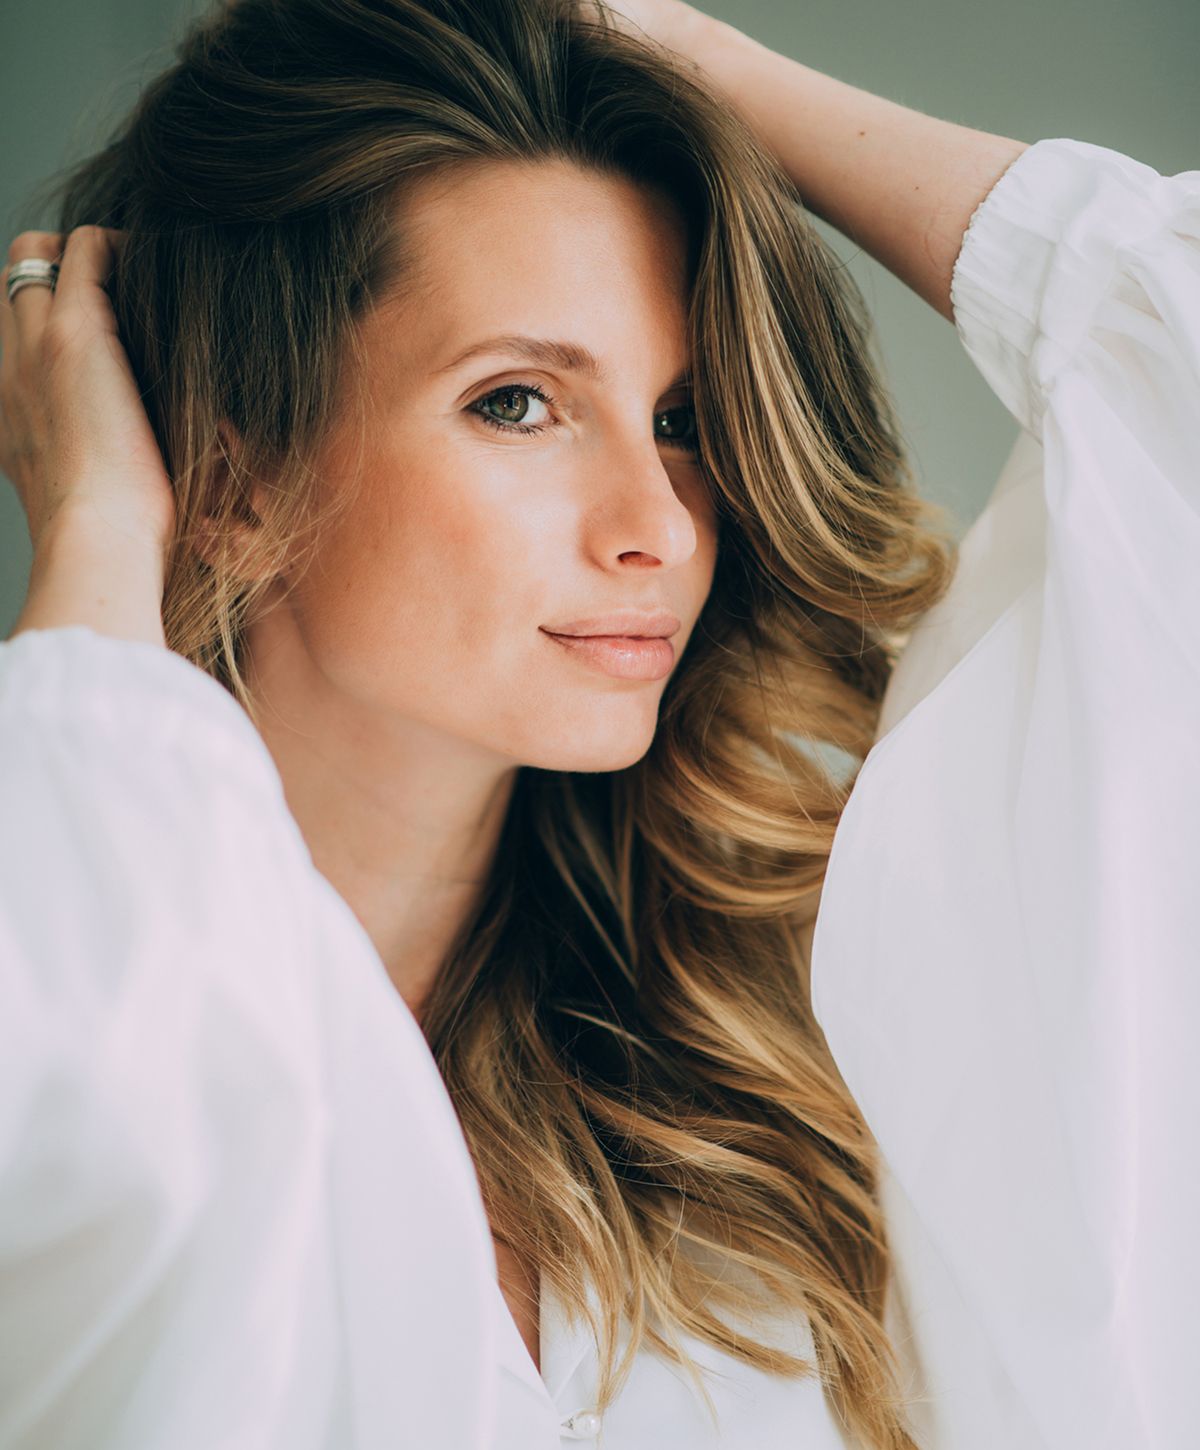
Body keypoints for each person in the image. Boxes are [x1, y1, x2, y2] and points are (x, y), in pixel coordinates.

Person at [0, 1, 1195, 1447]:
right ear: (234, 475)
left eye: (682, 419)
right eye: (518, 403)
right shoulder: (96, 988)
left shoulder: (803, 1085)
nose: (661, 526)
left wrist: (672, 46)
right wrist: (99, 532)